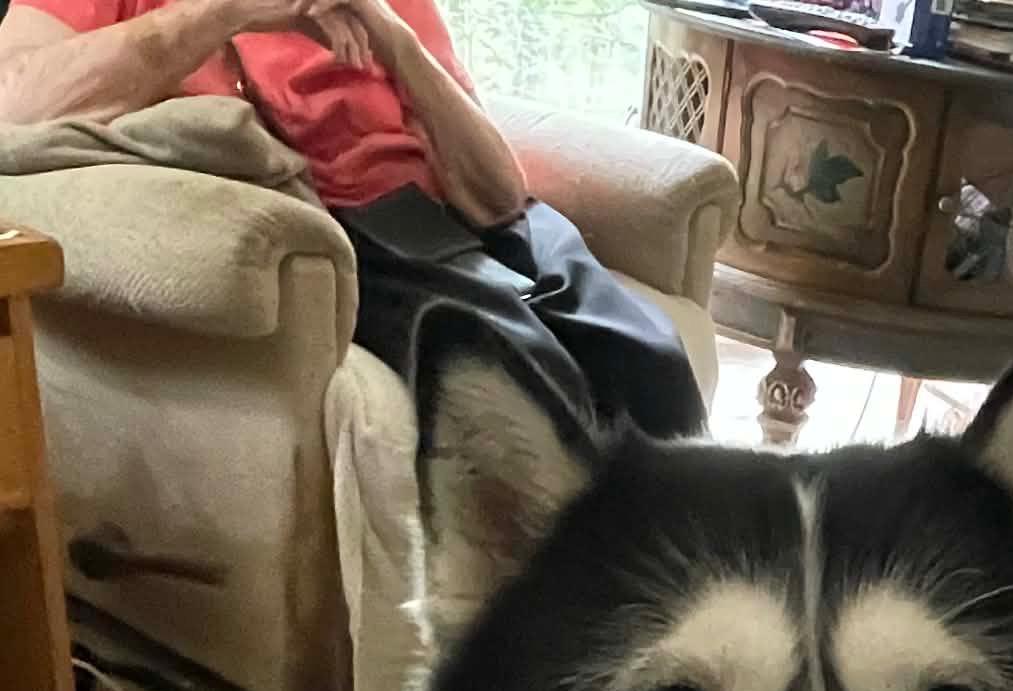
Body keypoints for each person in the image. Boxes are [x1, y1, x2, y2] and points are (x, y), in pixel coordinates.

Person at [0, 0, 707, 441]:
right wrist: (222, 12)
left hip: (467, 222)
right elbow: (18, 99)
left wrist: (392, 35)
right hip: (343, 223)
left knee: (651, 359)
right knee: (523, 381)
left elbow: (497, 195)